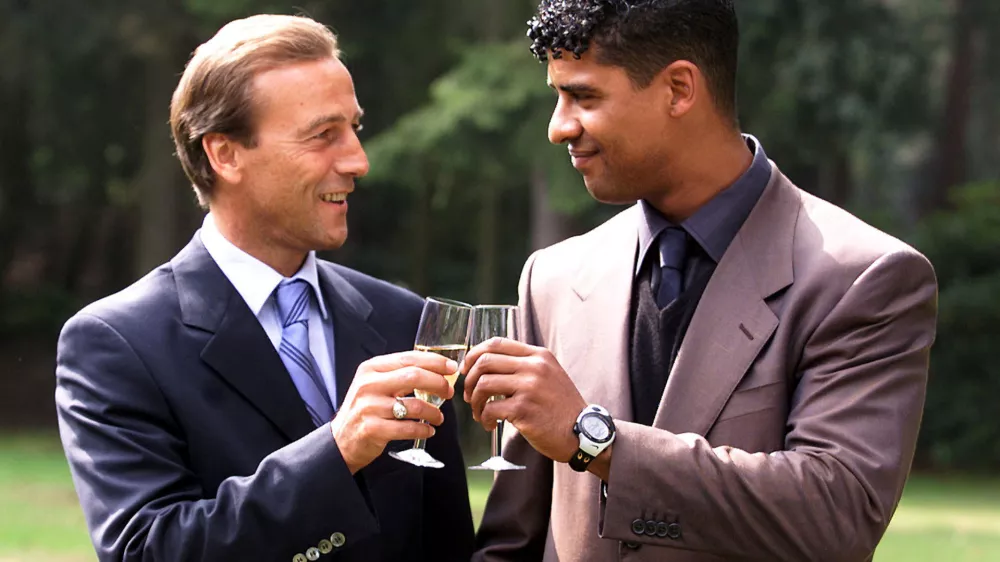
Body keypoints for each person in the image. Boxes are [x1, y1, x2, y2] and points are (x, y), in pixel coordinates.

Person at [463, 1, 938, 560]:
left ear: (679, 89)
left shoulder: (863, 278)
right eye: (558, 95)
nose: (558, 126)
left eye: (584, 96)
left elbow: (835, 516)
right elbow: (511, 544)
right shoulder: (552, 278)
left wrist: (596, 440)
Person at [54, 14, 474, 562]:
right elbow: (147, 551)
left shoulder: (404, 320)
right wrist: (337, 450)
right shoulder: (115, 343)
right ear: (225, 154)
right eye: (324, 136)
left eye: (355, 129)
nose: (357, 161)